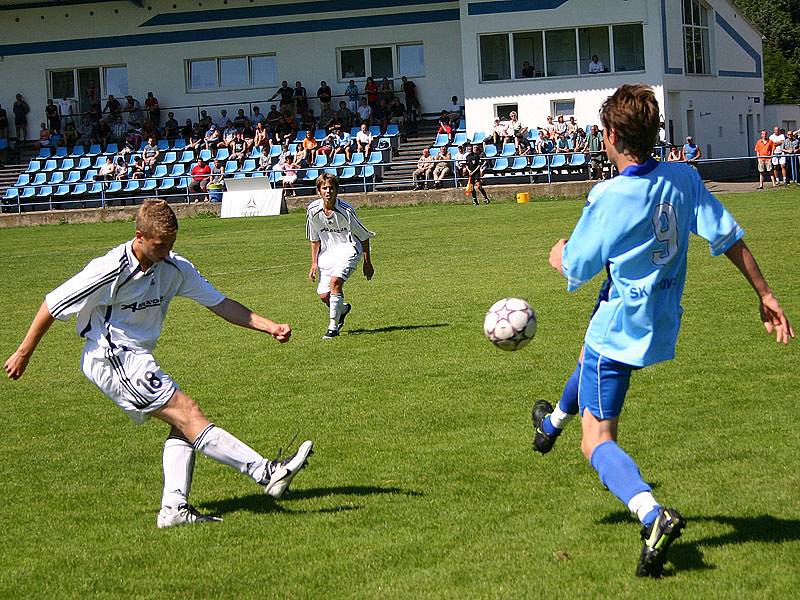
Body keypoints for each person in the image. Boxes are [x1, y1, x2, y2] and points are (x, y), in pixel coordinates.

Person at [530, 84, 794, 578]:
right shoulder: (683, 177)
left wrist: (558, 251)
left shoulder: (609, 195)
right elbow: (729, 237)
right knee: (589, 364)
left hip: (619, 326)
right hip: (658, 324)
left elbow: (578, 265)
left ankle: (652, 515)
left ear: (610, 136)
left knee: (598, 438)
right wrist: (765, 293)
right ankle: (550, 425)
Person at [4, 200, 313, 528]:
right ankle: (266, 471)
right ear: (139, 236)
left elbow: (220, 304)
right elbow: (53, 304)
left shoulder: (175, 268)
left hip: (135, 356)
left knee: (181, 423)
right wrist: (24, 352)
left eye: (172, 243)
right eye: (160, 245)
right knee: (189, 412)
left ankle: (174, 510)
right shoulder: (109, 268)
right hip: (110, 357)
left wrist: (270, 326)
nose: (167, 250)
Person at [306, 174, 375, 339]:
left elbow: (363, 236)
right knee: (324, 295)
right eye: (324, 188)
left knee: (335, 283)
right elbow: (314, 238)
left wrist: (367, 262)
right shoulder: (312, 210)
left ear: (337, 191)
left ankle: (333, 327)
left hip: (348, 250)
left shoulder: (346, 211)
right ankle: (342, 310)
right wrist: (314, 262)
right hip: (327, 253)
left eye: (331, 188)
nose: (328, 191)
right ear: (319, 191)